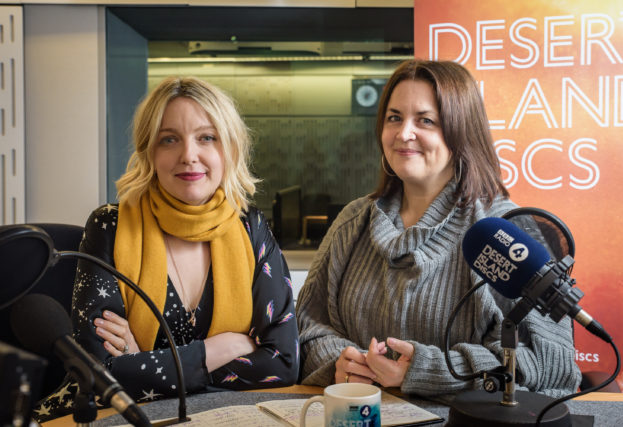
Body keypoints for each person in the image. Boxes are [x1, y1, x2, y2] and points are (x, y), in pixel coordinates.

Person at [295, 60, 581, 399]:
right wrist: (338, 364)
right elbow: (308, 325)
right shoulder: (352, 222)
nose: (403, 134)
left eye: (425, 120)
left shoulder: (503, 231)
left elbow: (553, 363)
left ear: (460, 130)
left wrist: (430, 370)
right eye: (394, 117)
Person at [34, 76, 299, 421]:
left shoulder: (251, 227)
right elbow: (98, 375)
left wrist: (144, 362)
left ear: (229, 148)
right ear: (149, 151)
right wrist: (218, 350)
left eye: (206, 137)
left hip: (213, 418)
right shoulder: (109, 227)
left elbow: (284, 364)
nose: (189, 155)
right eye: (169, 139)